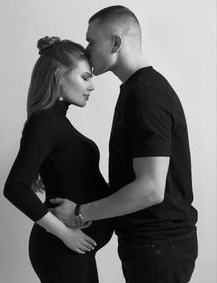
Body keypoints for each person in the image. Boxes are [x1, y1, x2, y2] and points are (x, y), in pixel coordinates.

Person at [49, 6, 198, 283]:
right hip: (150, 246)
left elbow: (151, 189)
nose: (86, 49)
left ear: (116, 42)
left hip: (159, 247)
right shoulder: (136, 90)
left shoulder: (146, 95)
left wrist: (79, 213)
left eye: (92, 41)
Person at [3, 36, 113, 283]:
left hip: (75, 248)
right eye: (85, 77)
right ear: (59, 76)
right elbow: (15, 187)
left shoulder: (58, 122)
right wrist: (65, 234)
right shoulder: (45, 121)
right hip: (62, 248)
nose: (92, 86)